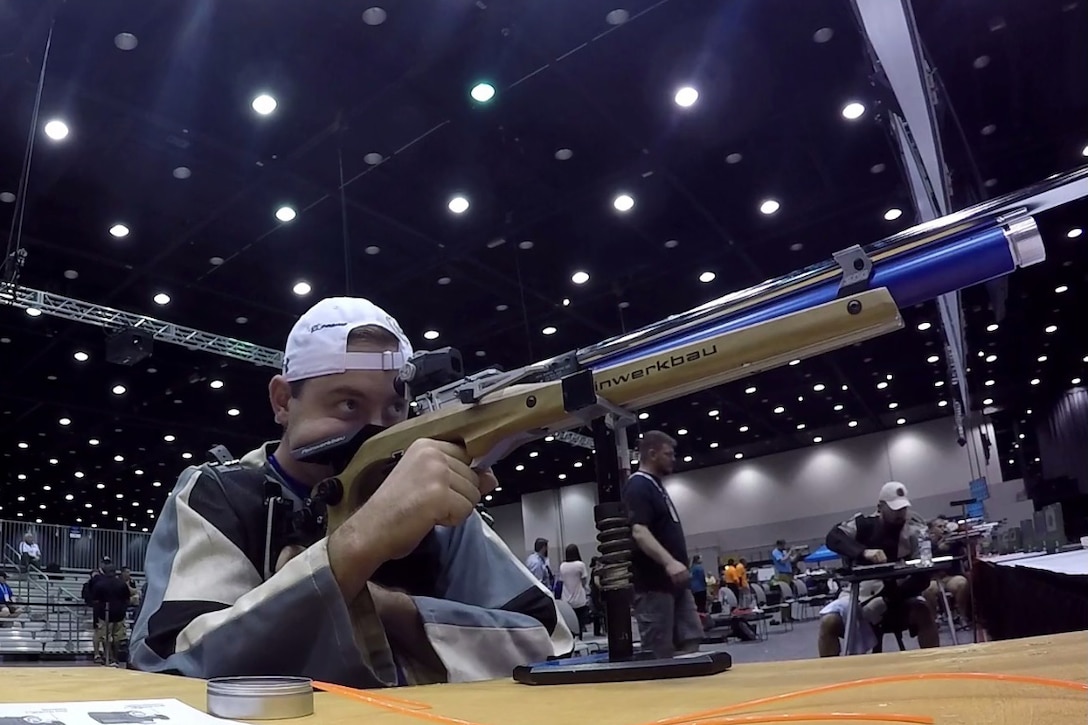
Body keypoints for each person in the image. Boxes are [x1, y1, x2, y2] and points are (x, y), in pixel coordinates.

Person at [130, 297, 573, 687]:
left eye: (395, 409)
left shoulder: (434, 501)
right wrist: (358, 547)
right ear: (283, 401)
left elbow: (549, 639)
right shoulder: (220, 493)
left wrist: (386, 608)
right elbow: (170, 665)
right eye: (348, 405)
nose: (377, 431)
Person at [817, 482, 939, 656]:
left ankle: (935, 667)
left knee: (923, 612)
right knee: (828, 622)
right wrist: (863, 552)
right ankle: (832, 676)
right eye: (895, 509)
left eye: (903, 509)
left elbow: (923, 576)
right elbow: (833, 537)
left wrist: (889, 600)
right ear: (880, 507)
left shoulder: (914, 530)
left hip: (899, 596)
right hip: (860, 597)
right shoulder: (862, 525)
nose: (900, 514)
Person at [621, 430, 702, 659]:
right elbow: (639, 531)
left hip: (675, 585)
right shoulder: (638, 486)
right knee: (659, 651)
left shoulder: (656, 487)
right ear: (652, 454)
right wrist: (669, 563)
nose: (673, 458)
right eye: (668, 454)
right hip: (653, 586)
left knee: (691, 638)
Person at [923, 517, 972, 625]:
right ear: (931, 530)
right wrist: (937, 548)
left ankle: (961, 615)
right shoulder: (926, 544)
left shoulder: (952, 540)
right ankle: (934, 619)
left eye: (944, 526)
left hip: (950, 577)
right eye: (939, 527)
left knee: (962, 583)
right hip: (933, 578)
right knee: (927, 589)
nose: (943, 529)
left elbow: (964, 546)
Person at [90, 563, 132, 665]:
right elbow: (127, 598)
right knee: (117, 637)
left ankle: (108, 656)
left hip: (104, 613)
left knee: (105, 636)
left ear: (104, 572)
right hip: (119, 613)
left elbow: (95, 600)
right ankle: (115, 658)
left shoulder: (100, 584)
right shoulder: (122, 584)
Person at [558, 544, 589, 636]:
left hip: (566, 599)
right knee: (580, 624)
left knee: (569, 624)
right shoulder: (580, 565)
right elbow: (584, 581)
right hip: (579, 599)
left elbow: (561, 580)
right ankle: (579, 640)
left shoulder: (562, 566)